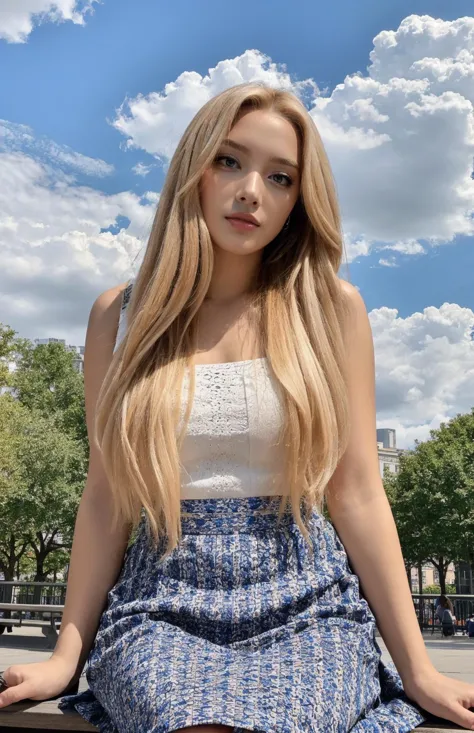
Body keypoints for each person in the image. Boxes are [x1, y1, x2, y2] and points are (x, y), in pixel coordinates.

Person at [1, 82, 474, 732]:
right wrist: (64, 656)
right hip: (163, 598)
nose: (252, 189)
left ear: (298, 202)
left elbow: (358, 491)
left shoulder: (332, 312)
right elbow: (108, 497)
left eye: (280, 177)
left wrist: (418, 668)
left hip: (306, 600)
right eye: (229, 160)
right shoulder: (120, 317)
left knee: (291, 712)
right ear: (191, 169)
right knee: (187, 716)